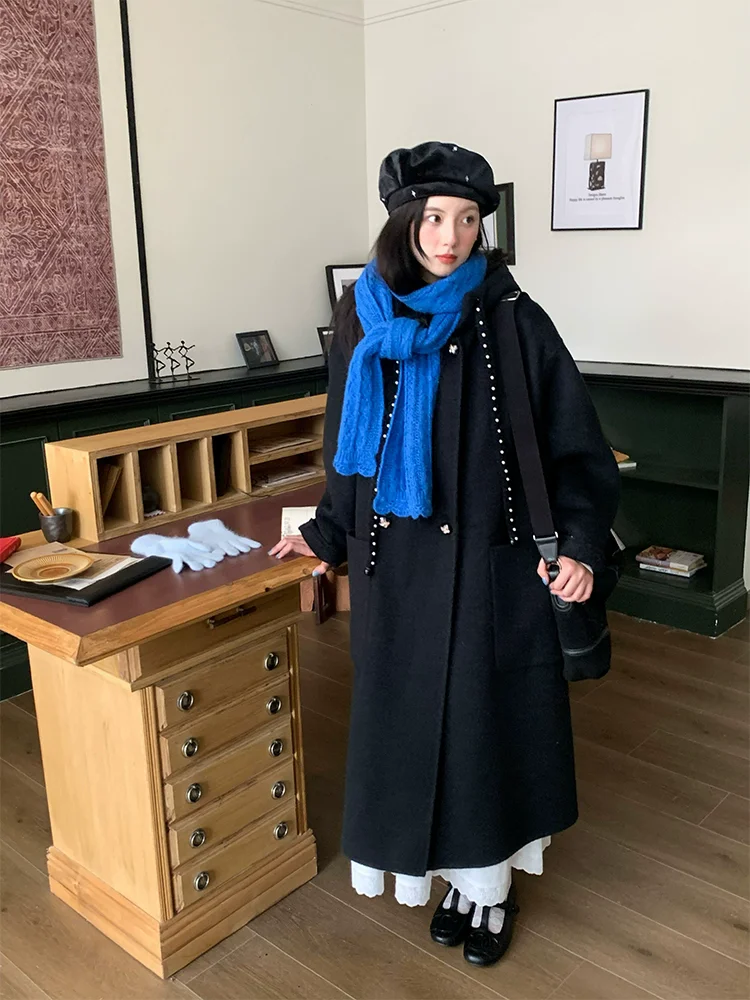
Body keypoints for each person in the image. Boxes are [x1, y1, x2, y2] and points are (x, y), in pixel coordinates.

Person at [270, 141, 620, 966]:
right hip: (395, 575)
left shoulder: (514, 319)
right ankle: (450, 879)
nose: (450, 236)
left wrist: (577, 544)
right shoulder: (363, 316)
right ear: (403, 221)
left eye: (466, 219)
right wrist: (327, 533)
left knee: (483, 739)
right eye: (433, 217)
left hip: (490, 569)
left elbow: (577, 448)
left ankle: (488, 891)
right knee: (410, 732)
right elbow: (347, 443)